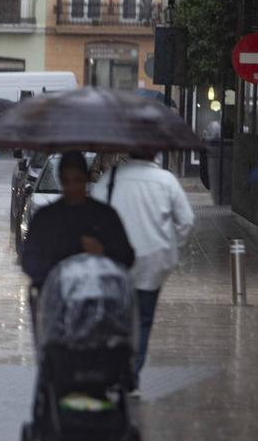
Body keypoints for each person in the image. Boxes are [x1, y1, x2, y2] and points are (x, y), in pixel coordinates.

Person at [91, 152, 194, 392]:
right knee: (143, 320)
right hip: (153, 263)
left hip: (116, 263)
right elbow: (187, 221)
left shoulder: (111, 178)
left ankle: (116, 368)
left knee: (116, 319)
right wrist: (172, 248)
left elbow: (94, 214)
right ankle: (132, 371)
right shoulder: (166, 180)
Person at [22, 152, 134, 294]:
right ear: (61, 180)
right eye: (67, 181)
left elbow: (127, 257)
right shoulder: (46, 217)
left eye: (78, 180)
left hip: (99, 297)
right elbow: (29, 260)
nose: (73, 188)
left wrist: (103, 252)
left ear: (86, 179)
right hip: (56, 298)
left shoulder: (105, 216)